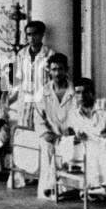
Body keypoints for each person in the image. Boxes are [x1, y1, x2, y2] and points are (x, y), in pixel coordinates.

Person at [35, 52, 77, 200]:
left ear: (66, 70)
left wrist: (73, 130)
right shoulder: (43, 92)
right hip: (51, 133)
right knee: (47, 147)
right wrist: (45, 132)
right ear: (49, 71)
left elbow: (82, 114)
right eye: (54, 70)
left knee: (70, 149)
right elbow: (38, 117)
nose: (57, 73)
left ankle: (68, 189)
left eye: (60, 69)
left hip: (70, 135)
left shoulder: (75, 92)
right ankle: (48, 189)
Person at [8, 20, 53, 132]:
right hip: (25, 99)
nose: (32, 38)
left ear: (42, 35)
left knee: (41, 131)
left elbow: (53, 83)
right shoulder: (22, 54)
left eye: (35, 34)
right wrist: (10, 99)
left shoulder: (50, 55)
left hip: (43, 100)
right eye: (29, 34)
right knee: (24, 132)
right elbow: (17, 81)